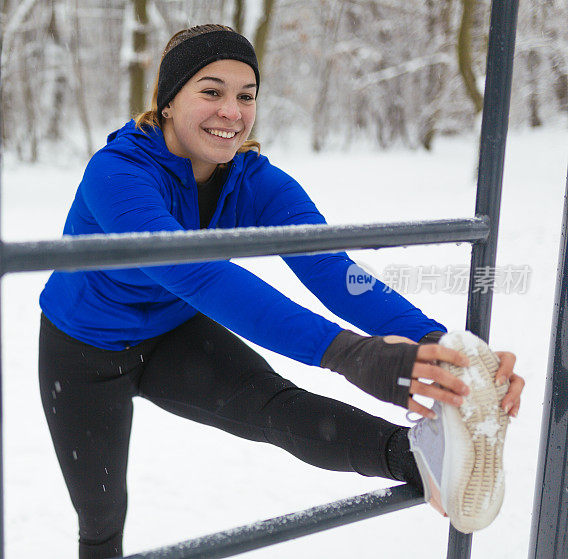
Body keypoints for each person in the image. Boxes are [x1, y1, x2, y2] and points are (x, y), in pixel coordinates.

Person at [38, 24, 524, 559]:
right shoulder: (118, 174)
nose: (232, 111)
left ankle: (429, 463)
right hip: (84, 350)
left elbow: (334, 271)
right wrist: (347, 353)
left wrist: (440, 348)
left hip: (172, 332)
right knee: (102, 517)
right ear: (169, 101)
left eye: (246, 96)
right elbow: (199, 275)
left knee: (276, 408)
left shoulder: (255, 182)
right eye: (211, 91)